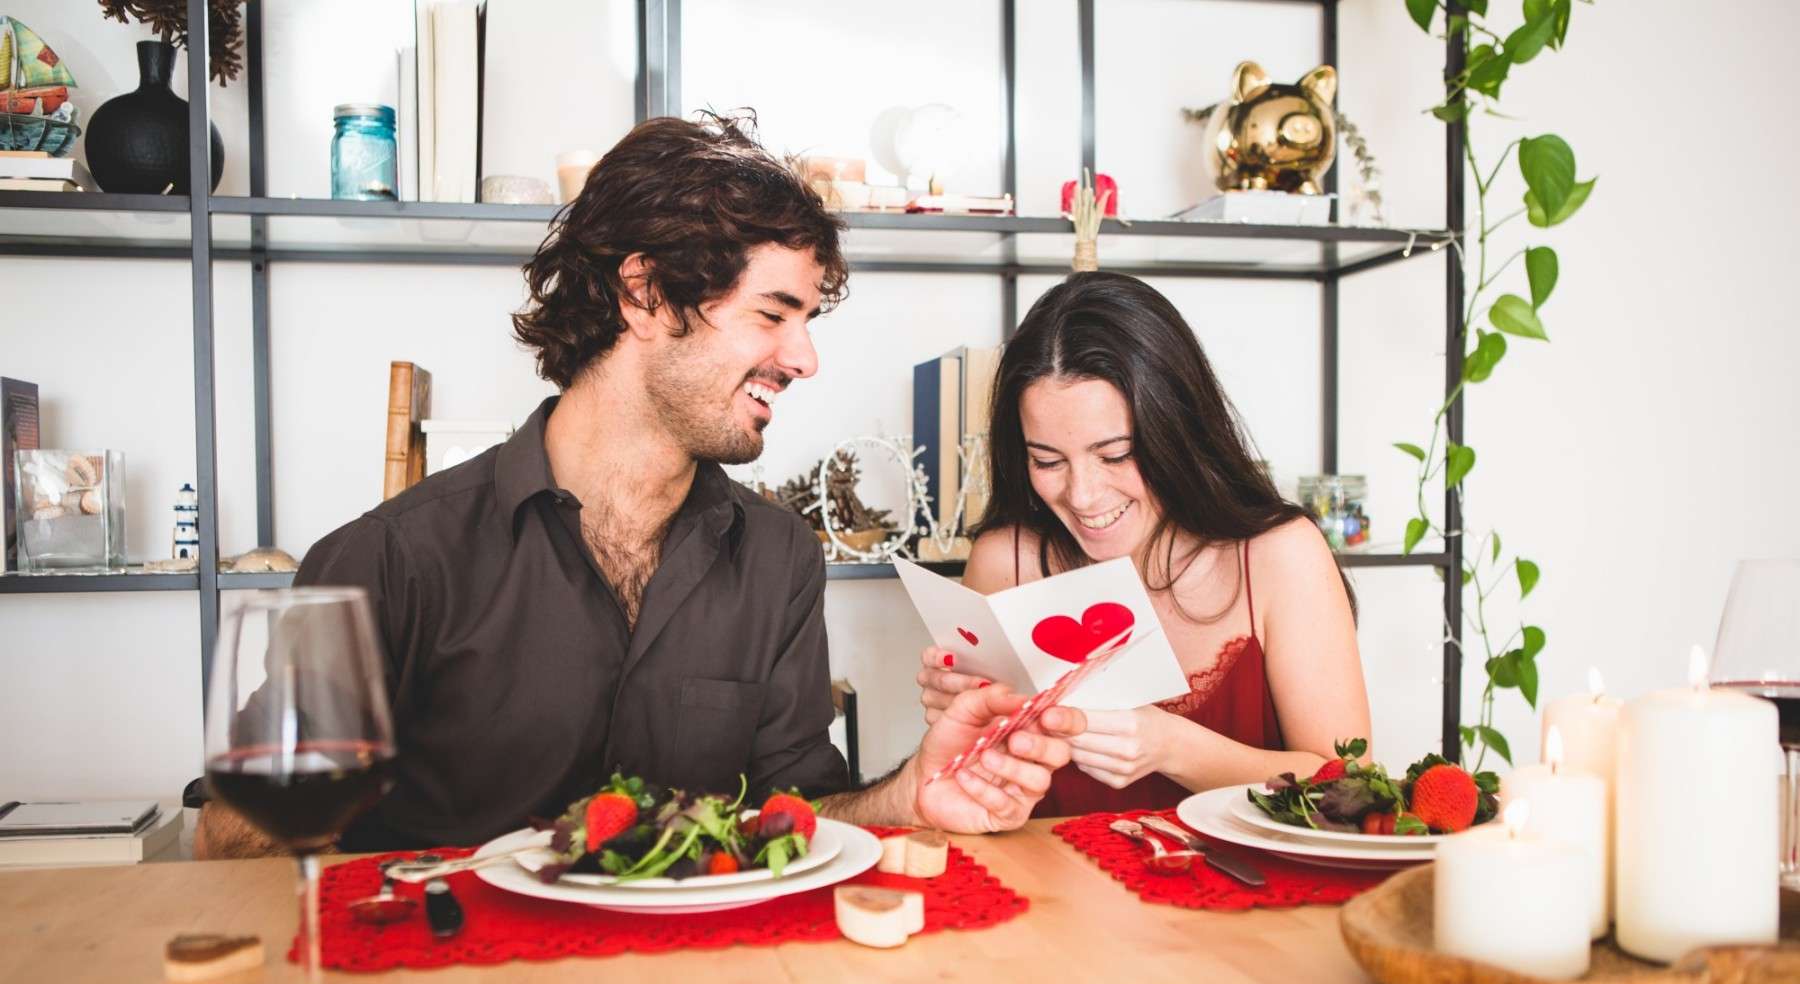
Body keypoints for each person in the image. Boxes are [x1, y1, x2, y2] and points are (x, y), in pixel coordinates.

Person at [195, 112, 1081, 859]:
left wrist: (910, 796)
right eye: (774, 314)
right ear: (646, 294)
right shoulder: (394, 558)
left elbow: (799, 817)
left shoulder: (778, 560)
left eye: (806, 322)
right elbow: (232, 833)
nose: (805, 358)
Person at [916, 271, 1370, 817]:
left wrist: (1173, 748)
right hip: (1059, 894)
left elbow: (1353, 786)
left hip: (1258, 898)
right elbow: (975, 794)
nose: (1082, 495)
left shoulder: (1279, 555)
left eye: (1115, 455)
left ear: (1178, 430)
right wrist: (967, 726)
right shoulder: (1004, 560)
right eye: (1047, 461)